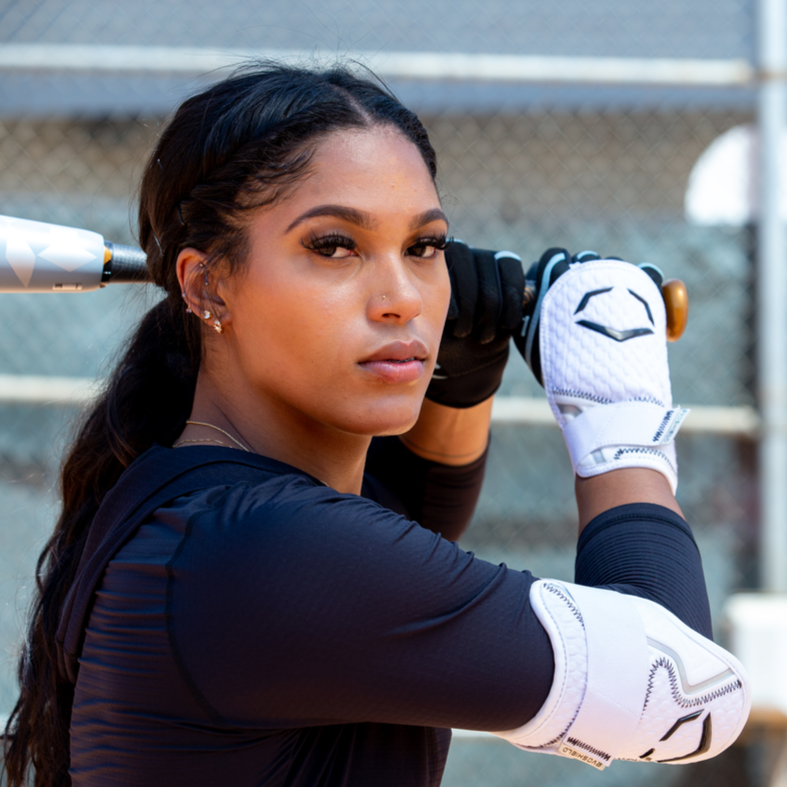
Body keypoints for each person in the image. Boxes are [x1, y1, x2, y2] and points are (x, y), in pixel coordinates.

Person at [3, 63, 749, 787]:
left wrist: (458, 382)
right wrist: (617, 411)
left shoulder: (200, 505)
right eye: (334, 246)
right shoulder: (257, 548)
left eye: (422, 247)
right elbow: (687, 694)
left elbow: (408, 526)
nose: (401, 298)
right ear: (207, 284)